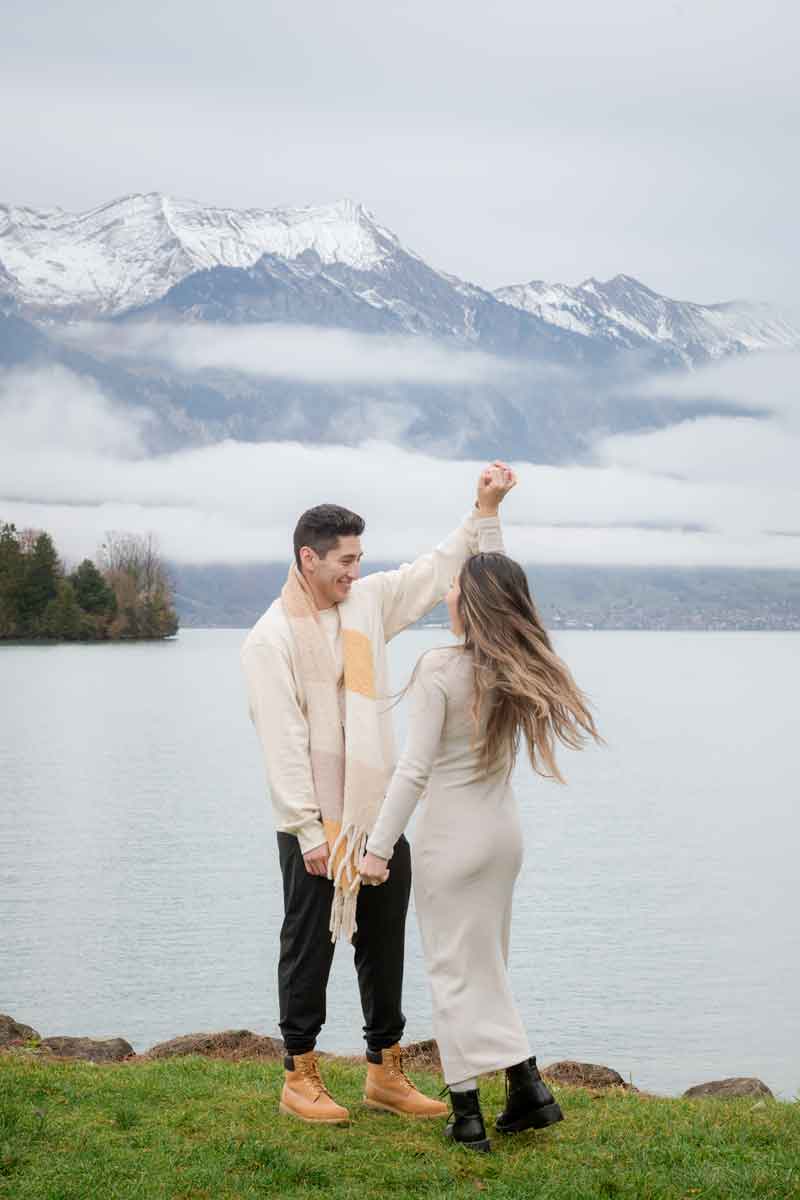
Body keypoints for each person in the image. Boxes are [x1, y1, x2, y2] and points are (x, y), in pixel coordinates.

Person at [240, 463, 516, 1125]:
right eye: (344, 561)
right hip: (315, 826)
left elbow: (433, 570)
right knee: (309, 944)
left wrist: (482, 509)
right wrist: (309, 832)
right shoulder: (269, 639)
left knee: (384, 941)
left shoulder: (367, 606)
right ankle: (298, 1073)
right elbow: (283, 744)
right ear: (307, 558)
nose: (355, 573)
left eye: (360, 559)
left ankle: (384, 1070)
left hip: (374, 817)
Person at [359, 548, 601, 1152]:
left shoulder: (440, 668)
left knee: (451, 975)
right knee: (485, 968)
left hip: (452, 842)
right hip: (502, 840)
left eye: (454, 588)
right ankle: (528, 1090)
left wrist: (377, 848)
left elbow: (414, 771)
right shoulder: (514, 666)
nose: (445, 596)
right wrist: (488, 511)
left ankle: (466, 1115)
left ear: (472, 602)